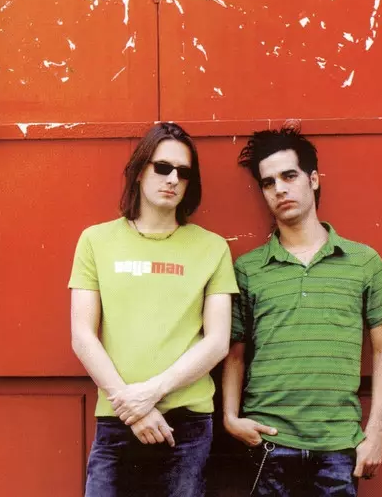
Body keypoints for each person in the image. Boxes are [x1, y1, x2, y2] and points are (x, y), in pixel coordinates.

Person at [222, 128, 382, 496]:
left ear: (313, 179)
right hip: (268, 443)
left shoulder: (363, 261)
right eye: (268, 182)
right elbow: (235, 353)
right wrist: (230, 418)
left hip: (337, 446)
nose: (279, 189)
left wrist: (376, 432)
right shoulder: (248, 268)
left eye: (289, 176)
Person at [69, 122, 237, 497]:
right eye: (162, 167)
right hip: (118, 415)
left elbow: (217, 341)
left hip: (187, 424)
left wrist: (150, 394)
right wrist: (135, 407)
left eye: (183, 172)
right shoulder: (96, 241)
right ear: (140, 170)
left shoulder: (212, 248)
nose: (173, 179)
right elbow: (82, 335)